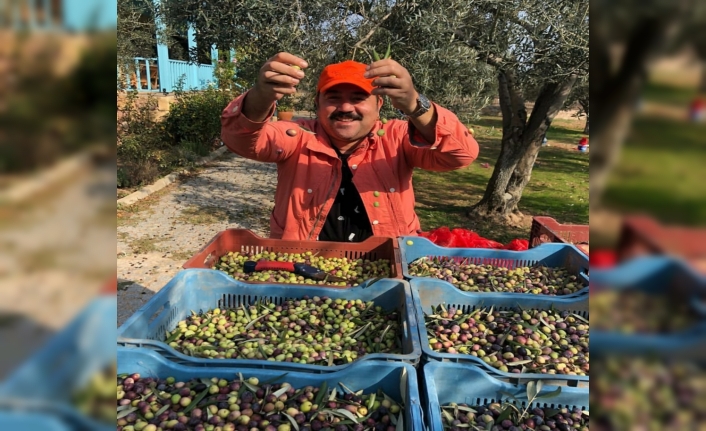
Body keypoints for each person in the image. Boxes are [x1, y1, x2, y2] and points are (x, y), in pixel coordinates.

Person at [221, 52, 478, 241]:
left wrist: (415, 104)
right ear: (318, 103)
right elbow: (241, 140)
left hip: (386, 267)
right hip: (302, 267)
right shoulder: (297, 134)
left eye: (358, 99)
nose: (345, 108)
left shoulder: (398, 137)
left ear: (379, 105)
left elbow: (461, 155)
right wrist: (261, 96)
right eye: (333, 98)